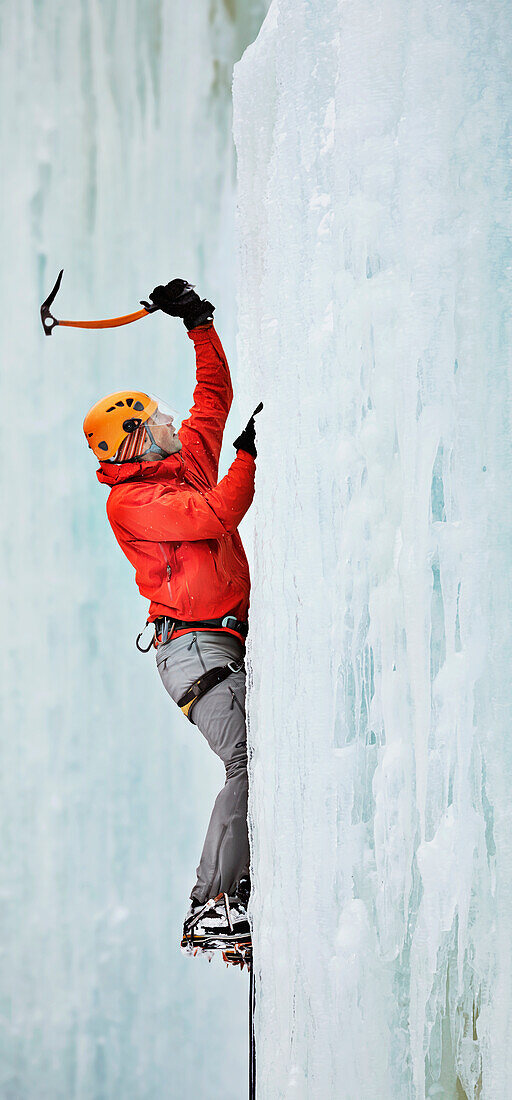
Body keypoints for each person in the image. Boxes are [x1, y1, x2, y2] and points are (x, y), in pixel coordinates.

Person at [83, 279, 261, 962]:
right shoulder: (131, 505)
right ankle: (211, 903)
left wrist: (199, 323)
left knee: (250, 762)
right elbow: (215, 515)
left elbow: (211, 400)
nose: (167, 427)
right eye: (151, 424)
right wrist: (245, 461)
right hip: (190, 650)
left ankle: (229, 888)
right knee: (245, 761)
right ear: (129, 444)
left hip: (216, 641)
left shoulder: (182, 464)